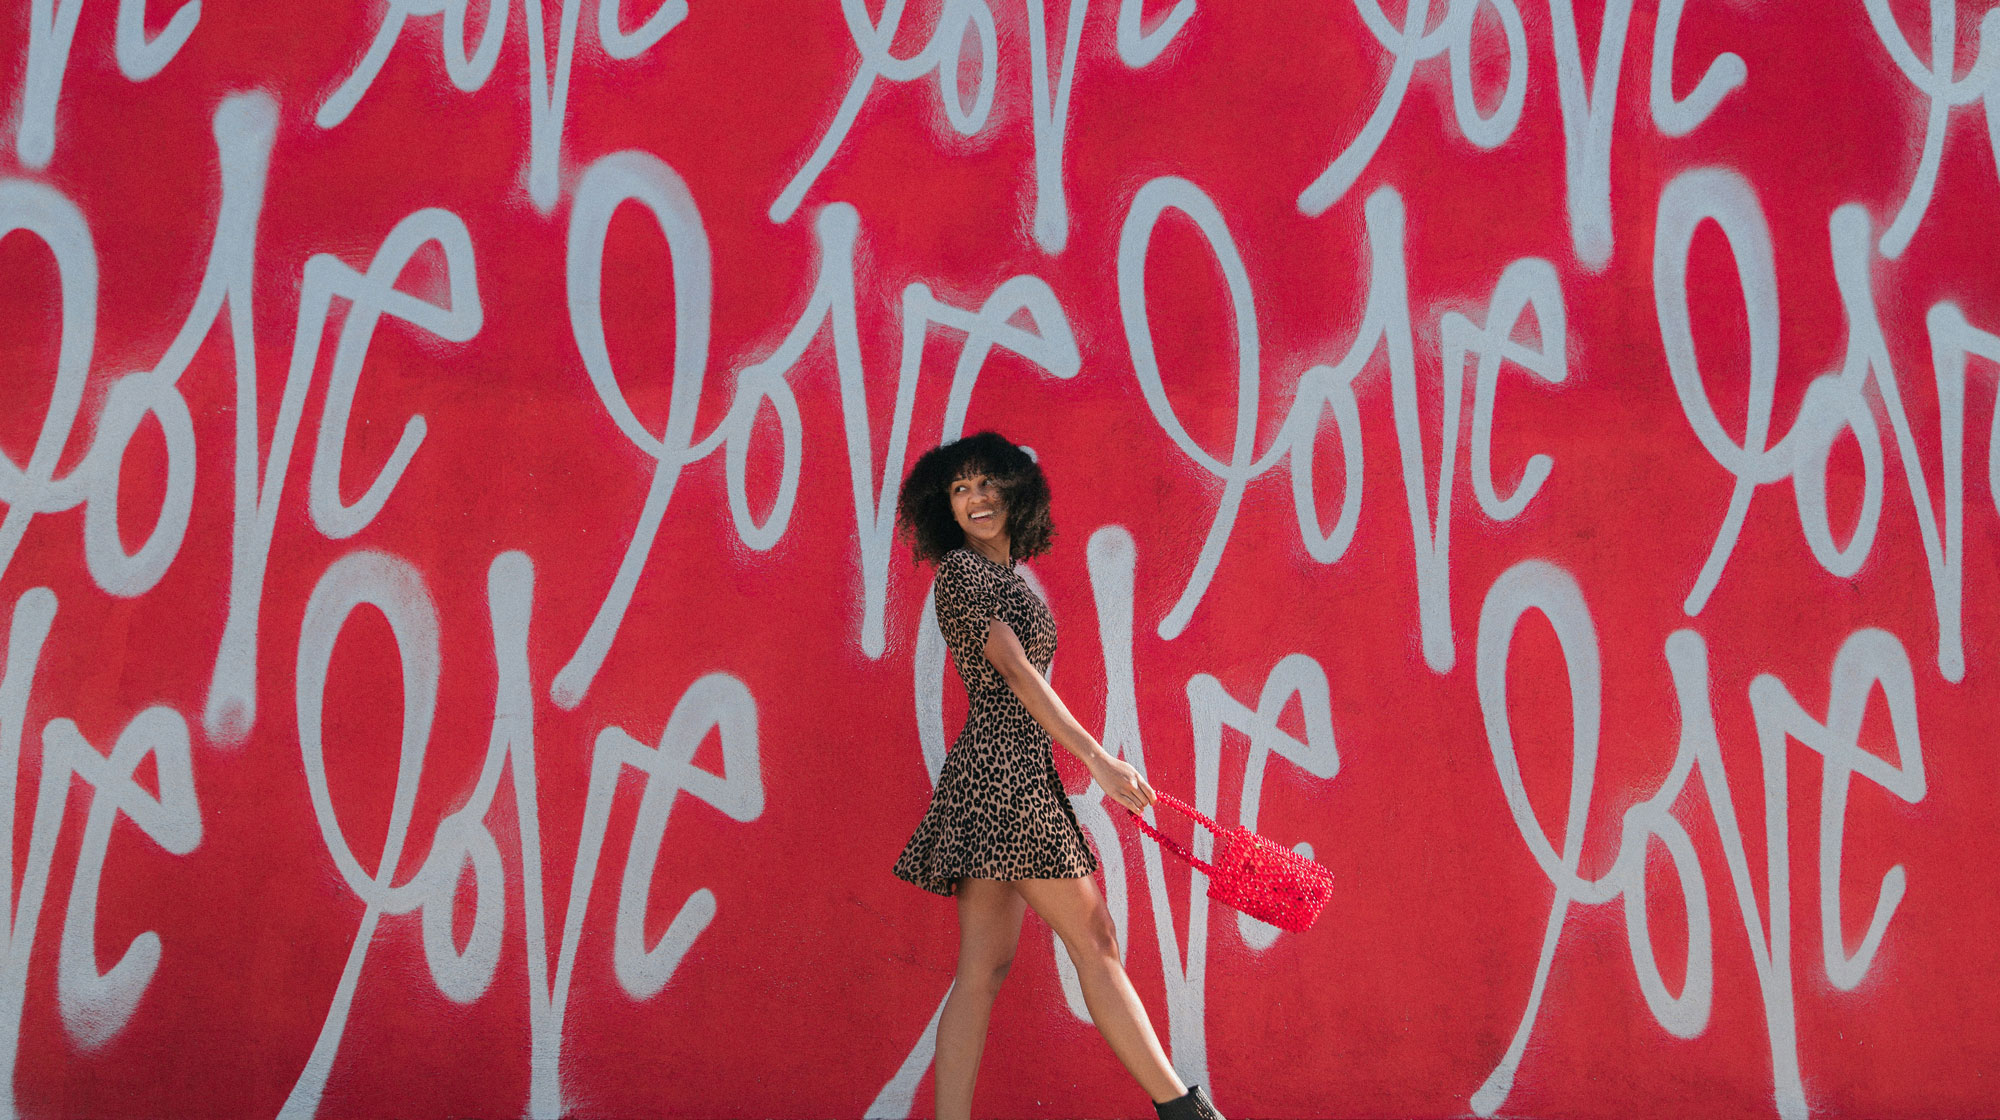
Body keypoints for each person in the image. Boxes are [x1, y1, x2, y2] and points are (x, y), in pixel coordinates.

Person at [891, 432, 1225, 1120]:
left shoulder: (1003, 577)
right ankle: (1182, 1110)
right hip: (1005, 775)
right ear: (943, 510)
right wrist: (1100, 761)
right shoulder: (962, 573)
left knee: (983, 971)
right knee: (1094, 939)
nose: (975, 498)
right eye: (959, 490)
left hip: (996, 775)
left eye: (986, 483)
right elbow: (1014, 672)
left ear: (1015, 489)